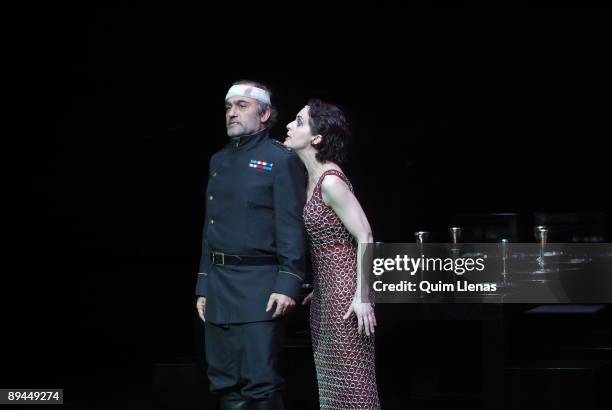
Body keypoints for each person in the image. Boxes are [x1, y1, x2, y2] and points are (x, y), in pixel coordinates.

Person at [195, 80, 307, 410]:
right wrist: (203, 285)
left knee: (261, 384)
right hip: (218, 284)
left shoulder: (280, 159)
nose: (232, 113)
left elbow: (291, 225)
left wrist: (289, 283)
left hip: (260, 286)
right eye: (229, 106)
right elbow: (210, 226)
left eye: (242, 106)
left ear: (265, 114)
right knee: (223, 382)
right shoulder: (218, 160)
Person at [284, 99, 380, 409]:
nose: (289, 125)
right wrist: (322, 289)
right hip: (325, 296)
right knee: (332, 391)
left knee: (355, 387)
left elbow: (365, 235)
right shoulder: (309, 179)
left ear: (317, 137)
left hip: (345, 298)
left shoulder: (331, 182)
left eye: (298, 121)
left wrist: (362, 296)